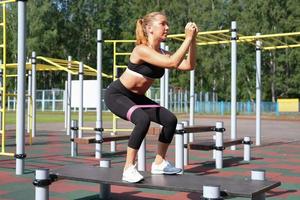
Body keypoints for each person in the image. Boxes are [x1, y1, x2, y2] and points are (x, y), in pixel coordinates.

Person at [104, 11, 198, 183]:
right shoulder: (141, 50)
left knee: (170, 120)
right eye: (162, 23)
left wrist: (193, 40)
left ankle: (159, 162)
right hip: (117, 94)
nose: (167, 27)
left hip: (137, 98)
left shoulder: (163, 52)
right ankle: (128, 168)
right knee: (142, 120)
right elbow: (172, 63)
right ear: (149, 28)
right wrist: (186, 38)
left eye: (166, 23)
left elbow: (189, 65)